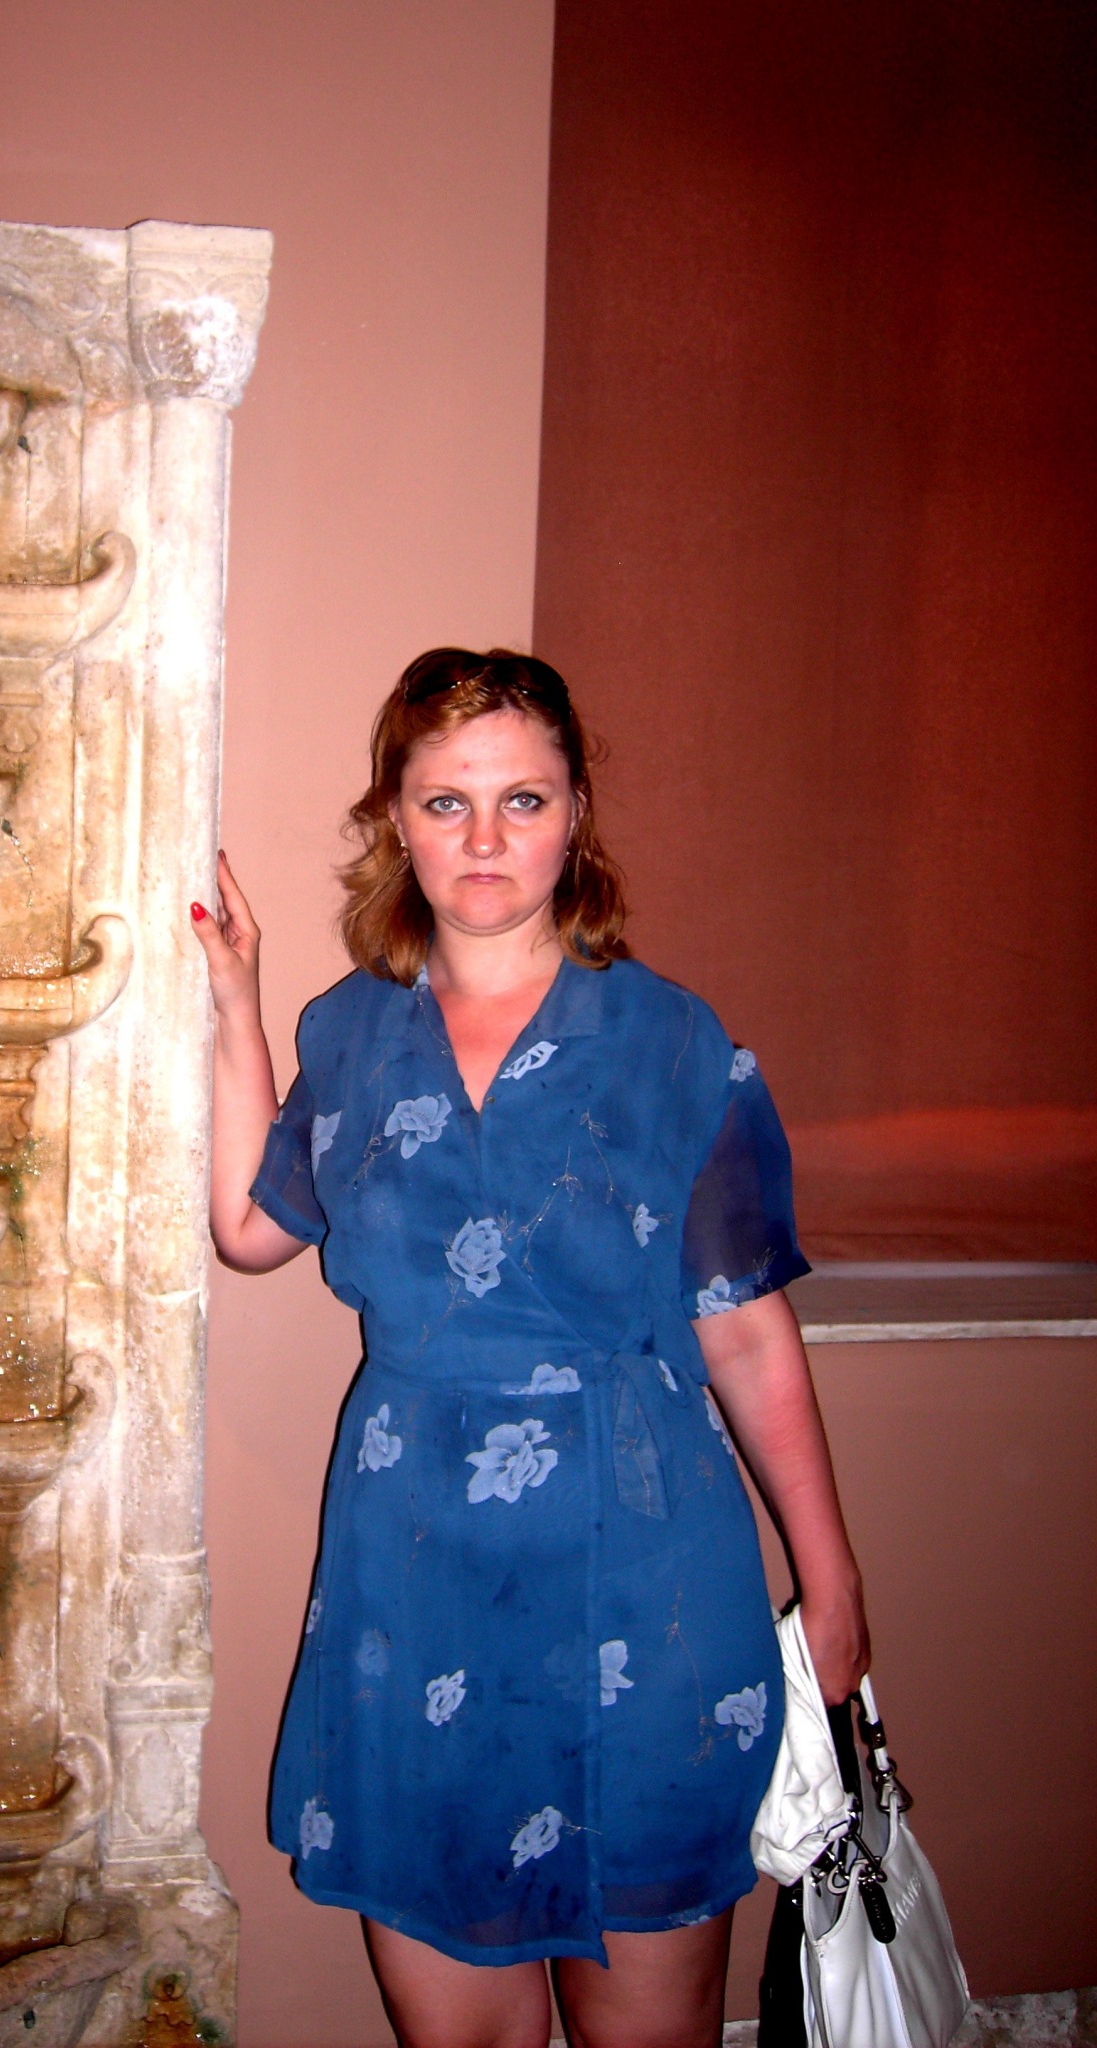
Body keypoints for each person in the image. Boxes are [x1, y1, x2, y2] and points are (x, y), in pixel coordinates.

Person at [190, 648, 868, 2048]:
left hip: (648, 1577)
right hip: (413, 1584)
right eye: (446, 802)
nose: (486, 839)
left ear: (576, 817)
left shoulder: (676, 1043)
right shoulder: (350, 1034)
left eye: (524, 800)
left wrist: (832, 1576)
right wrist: (238, 1007)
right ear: (395, 819)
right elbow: (252, 1231)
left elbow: (747, 1332)